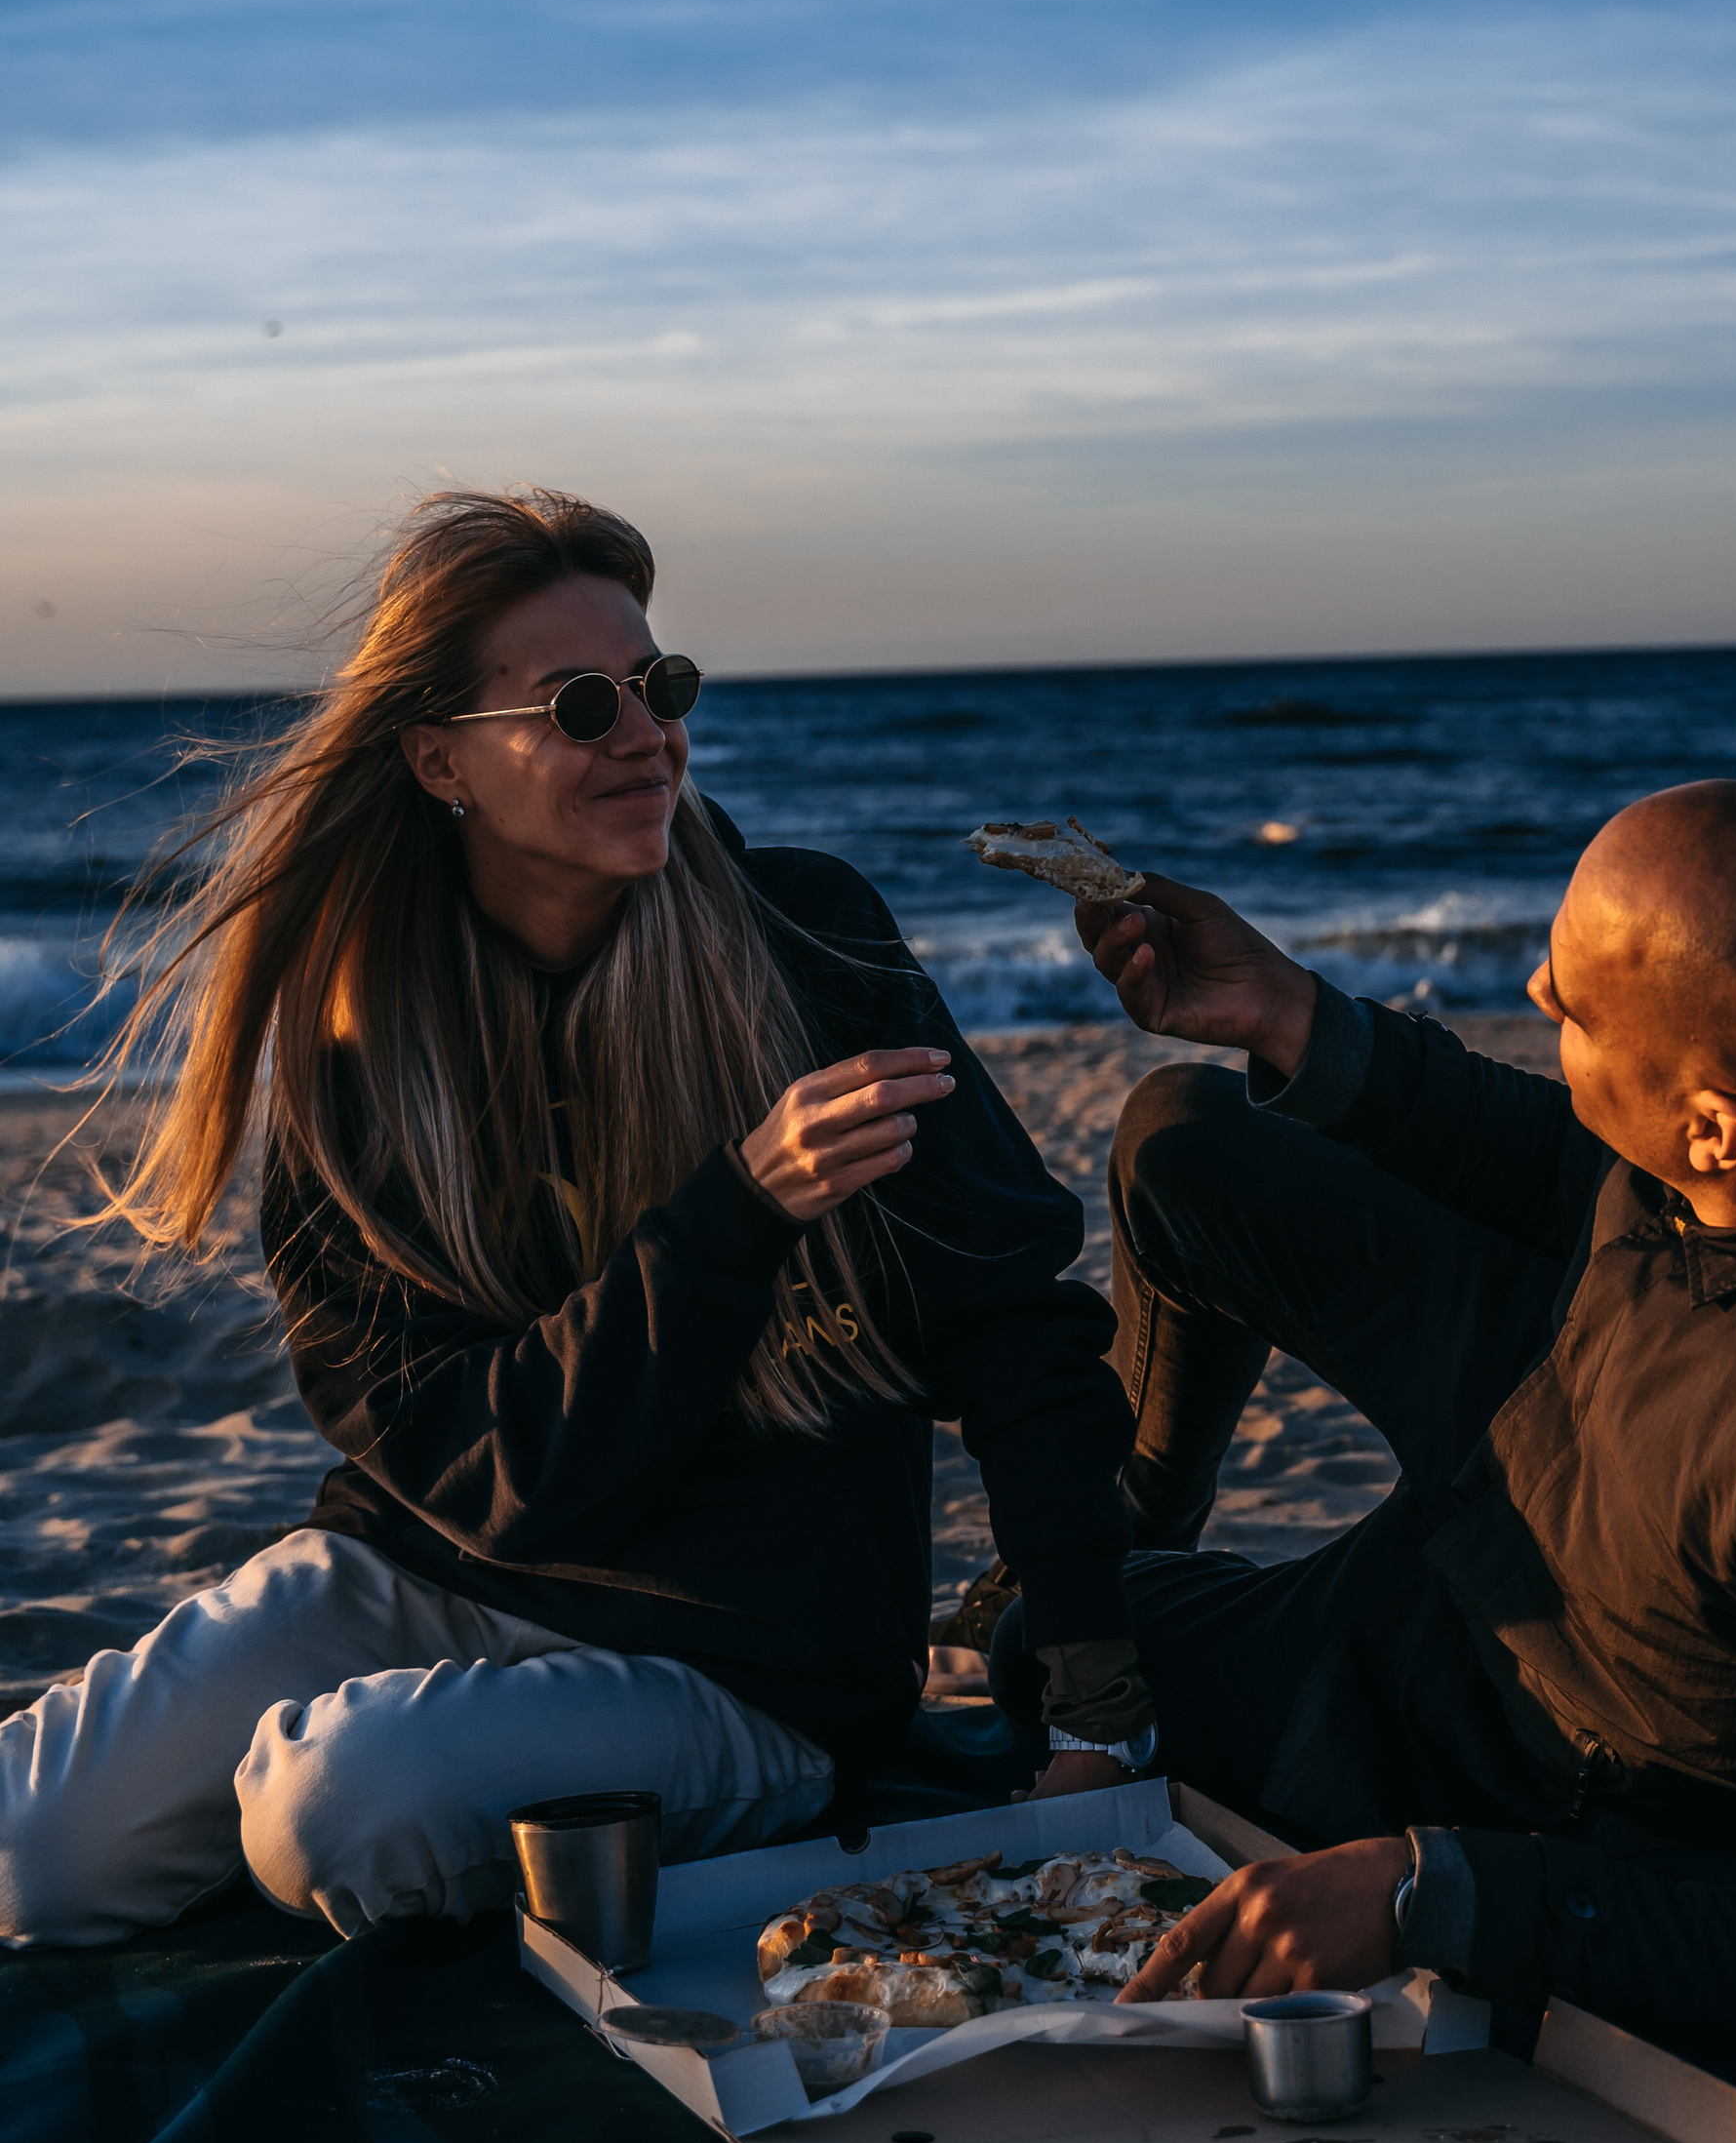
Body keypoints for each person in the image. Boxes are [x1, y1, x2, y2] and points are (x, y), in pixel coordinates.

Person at [0, 489, 1130, 1945]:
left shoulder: (805, 947)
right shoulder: (365, 1045)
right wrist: (735, 1215)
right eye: (583, 705)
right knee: (36, 1851)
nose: (648, 735)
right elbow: (477, 1469)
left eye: (660, 689)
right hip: (425, 1572)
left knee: (337, 1810)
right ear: (439, 761)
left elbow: (1019, 1326)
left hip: (743, 1668)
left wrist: (1097, 1707)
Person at [1008, 779, 1736, 2064]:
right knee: (1188, 1139)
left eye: (1573, 1006)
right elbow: (1578, 1159)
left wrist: (1433, 1892)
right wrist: (1292, 1014)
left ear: (1713, 1131)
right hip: (1573, 1392)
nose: (1537, 994)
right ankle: (1139, 1542)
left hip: (1540, 1723)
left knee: (1052, 1650)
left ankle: (1161, 1605)